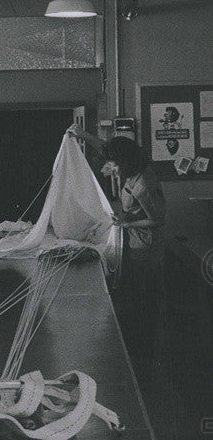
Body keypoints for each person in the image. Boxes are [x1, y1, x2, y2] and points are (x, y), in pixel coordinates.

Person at [68, 125, 166, 371]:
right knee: (131, 294)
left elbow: (158, 219)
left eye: (115, 165)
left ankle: (144, 355)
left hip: (145, 246)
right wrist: (82, 134)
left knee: (143, 297)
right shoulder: (129, 166)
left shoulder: (143, 184)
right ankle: (133, 346)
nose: (111, 168)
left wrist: (126, 222)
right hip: (131, 238)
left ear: (128, 163)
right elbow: (106, 148)